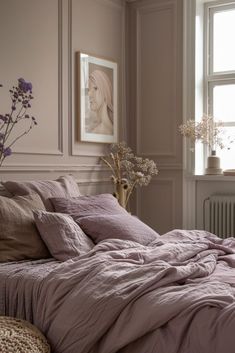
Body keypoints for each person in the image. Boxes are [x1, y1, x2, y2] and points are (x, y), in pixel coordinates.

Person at [87, 69, 113, 135]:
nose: (89, 94)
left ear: (105, 91)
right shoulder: (93, 129)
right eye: (88, 90)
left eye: (95, 88)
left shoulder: (98, 131)